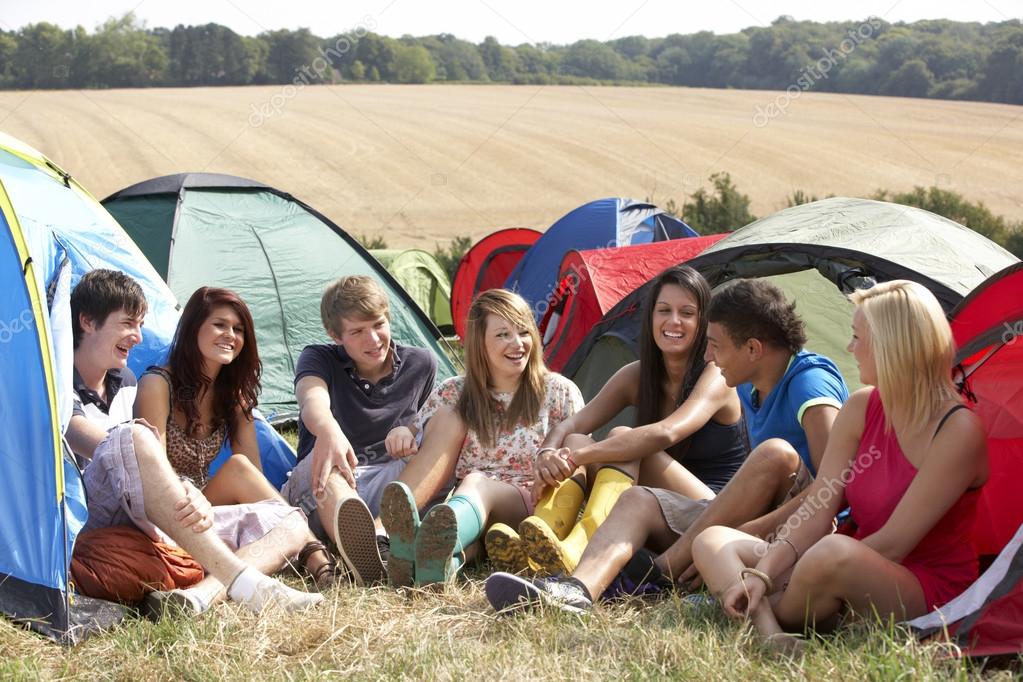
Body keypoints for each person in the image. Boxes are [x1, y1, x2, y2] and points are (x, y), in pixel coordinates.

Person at [485, 278, 848, 613]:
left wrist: (737, 534)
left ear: (752, 348)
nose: (709, 355)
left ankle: (655, 575)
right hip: (730, 511)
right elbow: (577, 426)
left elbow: (836, 487)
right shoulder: (749, 383)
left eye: (715, 345)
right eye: (664, 311)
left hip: (800, 530)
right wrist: (550, 451)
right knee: (636, 499)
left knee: (773, 453)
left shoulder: (809, 386)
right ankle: (576, 589)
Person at [692, 279, 987, 653]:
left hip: (922, 586)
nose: (850, 348)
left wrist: (799, 571)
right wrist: (764, 573)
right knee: (713, 540)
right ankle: (770, 634)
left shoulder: (958, 430)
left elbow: (895, 544)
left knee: (831, 552)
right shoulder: (863, 407)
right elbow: (819, 505)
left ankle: (745, 600)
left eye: (858, 337)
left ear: (893, 345)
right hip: (844, 560)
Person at [65, 270, 322, 615]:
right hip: (98, 512)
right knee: (135, 435)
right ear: (87, 321)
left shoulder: (123, 379)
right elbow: (103, 445)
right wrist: (186, 488)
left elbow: (248, 473)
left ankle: (203, 595)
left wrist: (192, 496)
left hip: (168, 514)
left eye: (141, 325)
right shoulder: (57, 379)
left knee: (287, 521)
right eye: (127, 324)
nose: (138, 337)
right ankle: (244, 579)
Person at [491, 265, 747, 578]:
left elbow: (668, 432)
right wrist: (547, 454)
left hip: (711, 509)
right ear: (651, 318)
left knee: (623, 439)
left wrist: (582, 457)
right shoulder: (637, 375)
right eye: (663, 310)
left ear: (703, 321)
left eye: (687, 313)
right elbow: (570, 426)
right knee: (577, 440)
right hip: (655, 506)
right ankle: (546, 535)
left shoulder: (716, 374)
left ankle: (582, 545)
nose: (673, 322)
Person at [135, 286, 341, 599]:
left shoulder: (233, 398)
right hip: (163, 509)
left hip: (203, 506)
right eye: (220, 325)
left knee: (241, 469)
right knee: (241, 473)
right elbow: (153, 472)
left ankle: (310, 551)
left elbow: (256, 487)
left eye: (239, 329)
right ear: (193, 329)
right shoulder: (157, 384)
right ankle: (314, 553)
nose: (230, 335)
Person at [379, 289, 585, 586]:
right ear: (480, 344)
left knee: (476, 483)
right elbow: (414, 432)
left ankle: (422, 540)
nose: (518, 344)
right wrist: (401, 432)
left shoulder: (558, 391)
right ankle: (429, 570)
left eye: (524, 332)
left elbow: (580, 454)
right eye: (503, 335)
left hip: (533, 507)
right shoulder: (454, 391)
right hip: (473, 511)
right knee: (470, 541)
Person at [280, 276, 437, 585]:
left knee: (442, 435)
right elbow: (312, 399)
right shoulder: (319, 357)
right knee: (323, 462)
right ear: (335, 335)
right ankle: (364, 550)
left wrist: (408, 433)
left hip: (389, 484)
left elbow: (423, 418)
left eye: (378, 325)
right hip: (329, 484)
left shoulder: (421, 363)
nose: (373, 339)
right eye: (357, 331)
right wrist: (328, 430)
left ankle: (379, 537)